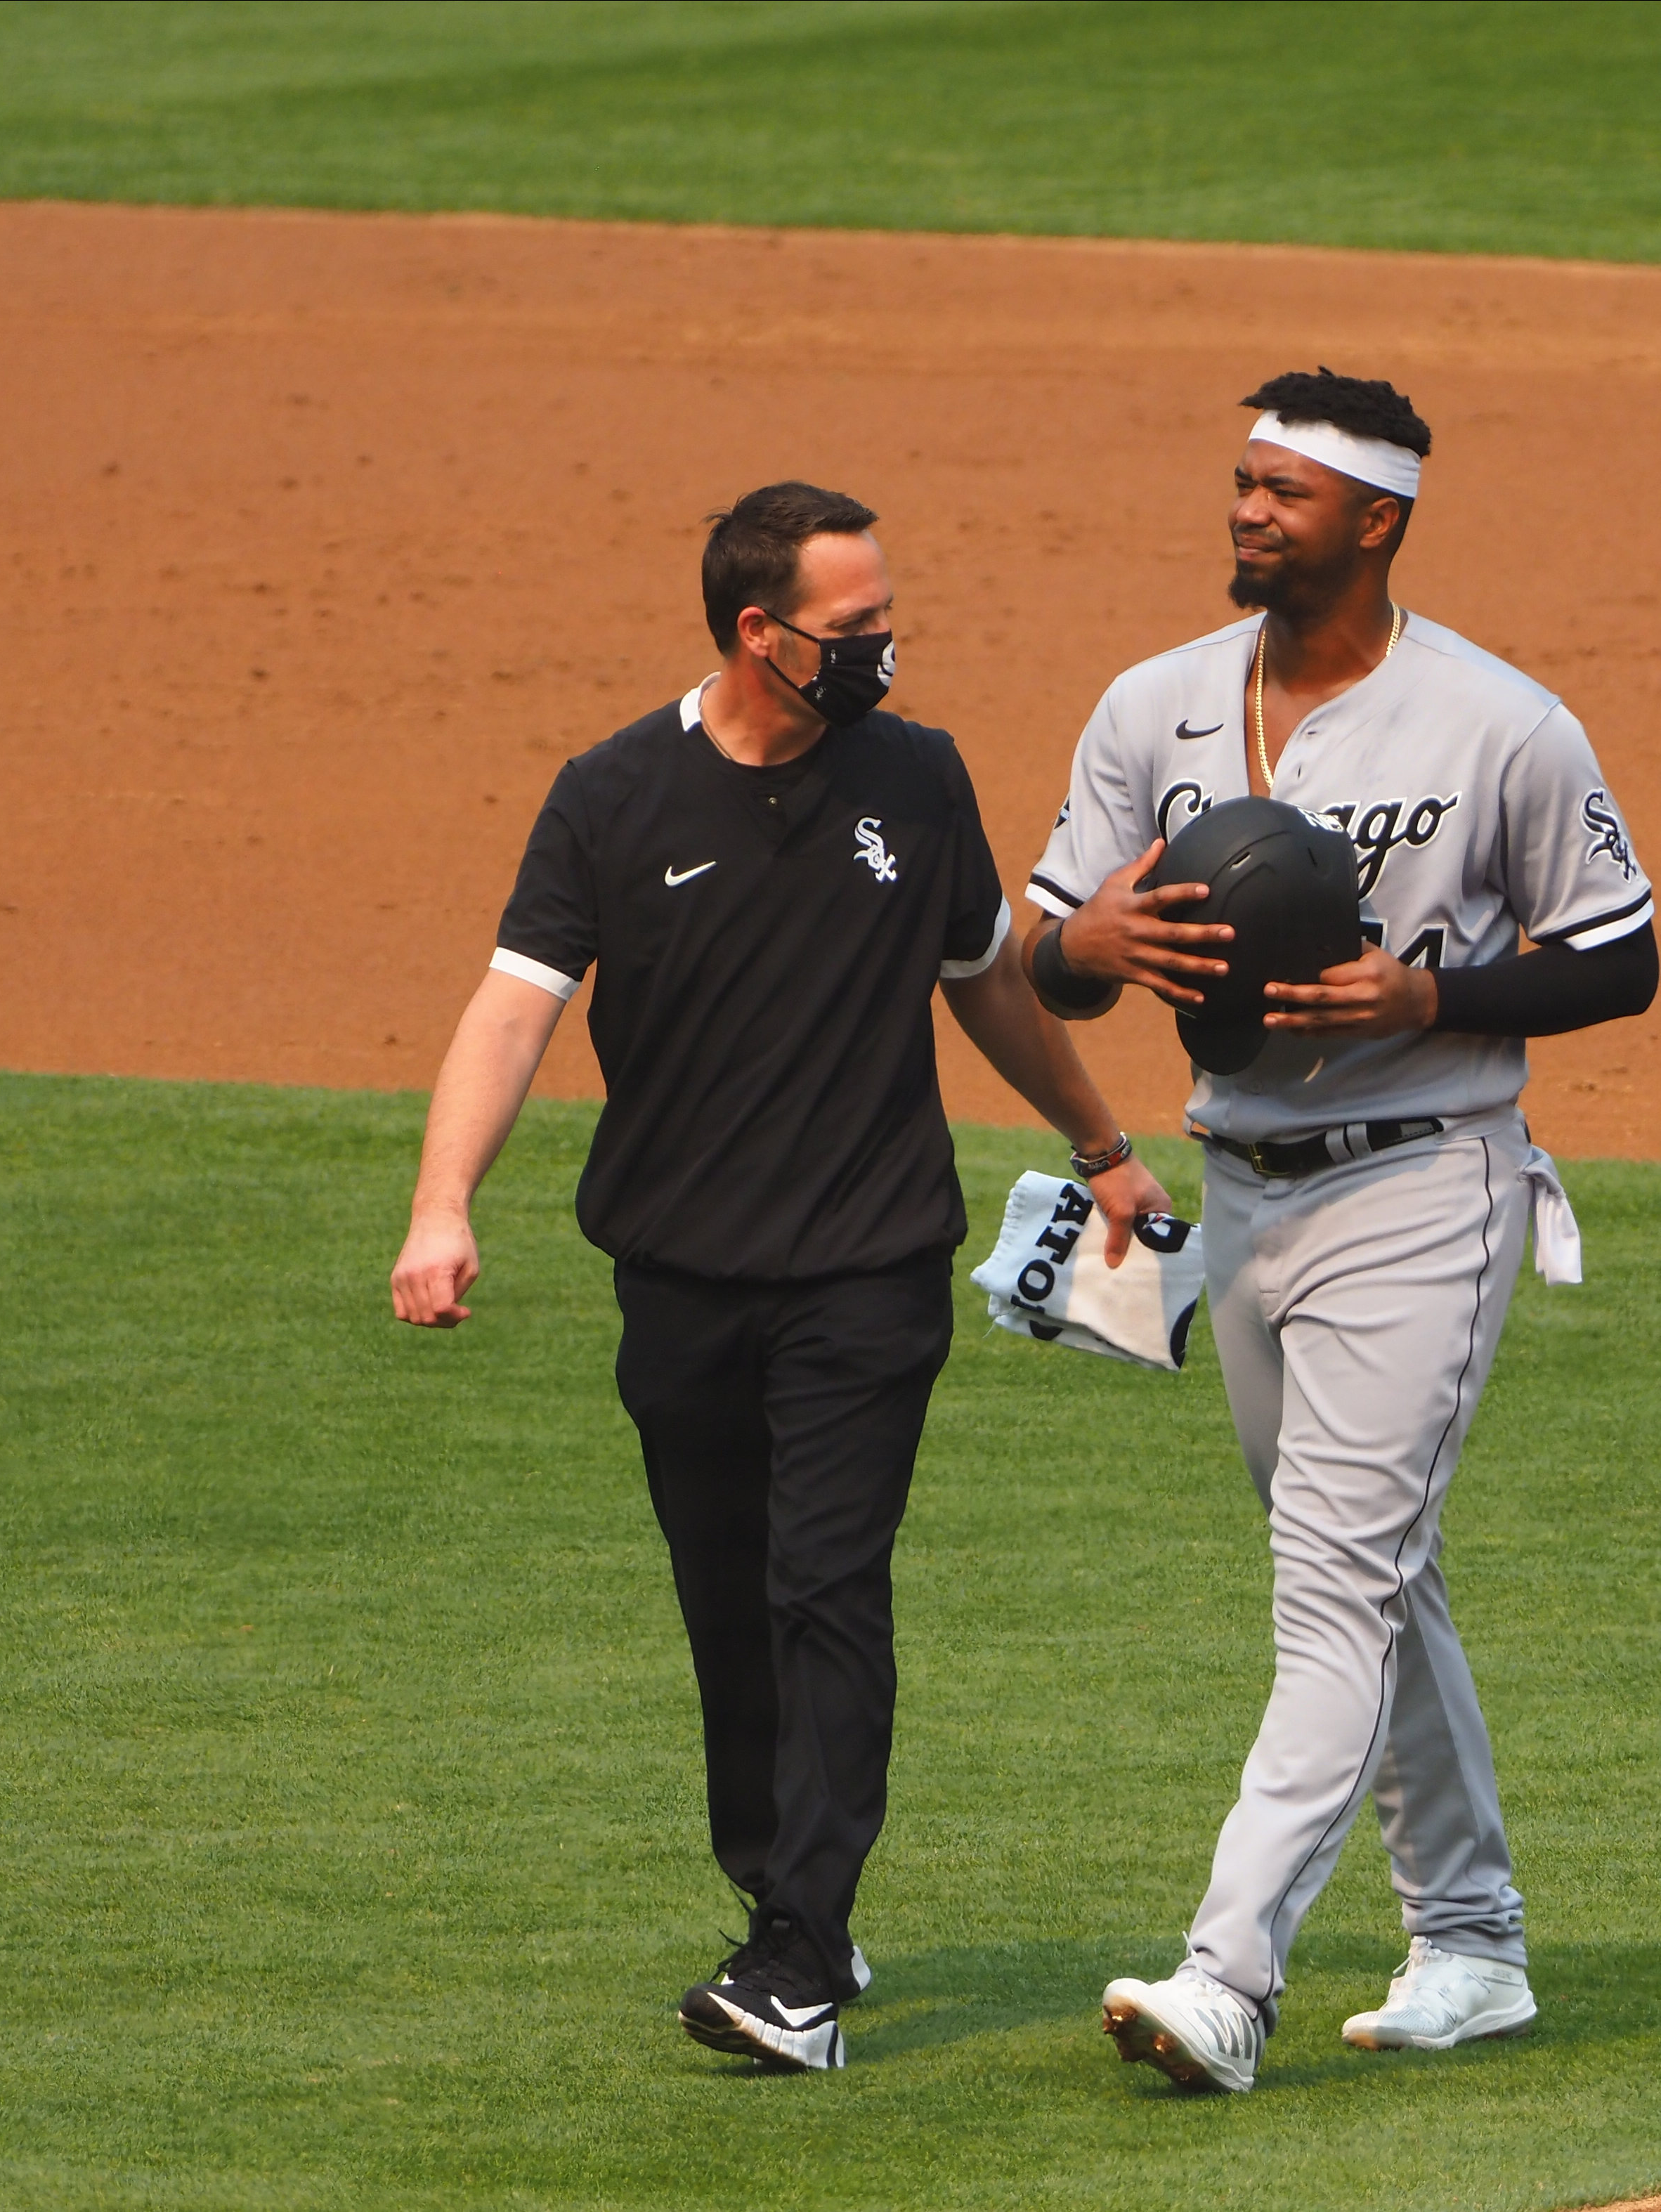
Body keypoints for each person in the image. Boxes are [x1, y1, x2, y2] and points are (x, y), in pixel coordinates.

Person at [387, 482, 1167, 2069]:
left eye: (887, 618)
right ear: (760, 633)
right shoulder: (611, 794)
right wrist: (440, 1201)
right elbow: (512, 1005)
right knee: (726, 1602)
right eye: (854, 627)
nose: (884, 647)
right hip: (677, 1278)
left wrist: (1104, 1145)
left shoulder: (916, 774)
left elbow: (989, 983)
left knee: (823, 1583)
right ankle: (781, 1894)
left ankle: (799, 1962)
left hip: (865, 1270)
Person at [1022, 370, 1659, 2090]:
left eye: (1282, 492)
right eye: (1238, 480)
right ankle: (1472, 1940)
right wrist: (1101, 947)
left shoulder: (1499, 723)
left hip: (1421, 1183)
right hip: (1243, 1191)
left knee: (1330, 1591)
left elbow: (1620, 953)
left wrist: (1427, 987)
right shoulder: (1150, 705)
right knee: (1377, 1583)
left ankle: (1226, 1977)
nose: (1244, 510)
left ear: (1375, 520)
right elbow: (1041, 953)